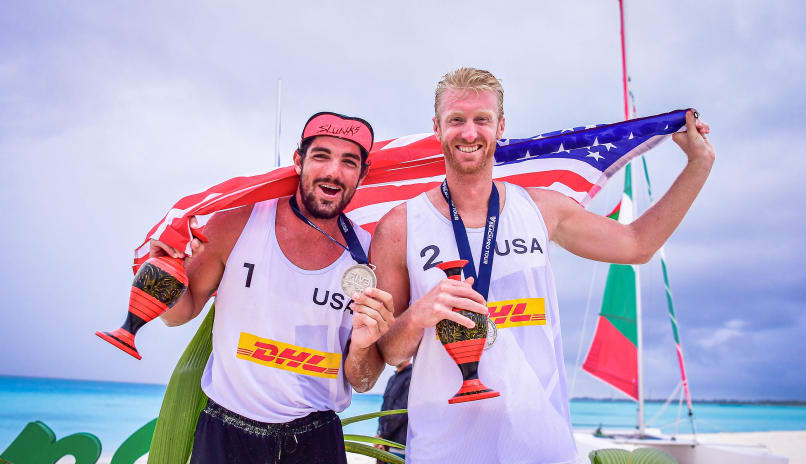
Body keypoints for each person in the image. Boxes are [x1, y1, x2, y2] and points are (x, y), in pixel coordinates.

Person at [372, 68, 714, 463]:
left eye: (482, 119)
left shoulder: (540, 209)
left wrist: (699, 164)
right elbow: (390, 353)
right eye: (456, 120)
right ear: (437, 127)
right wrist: (418, 315)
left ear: (501, 126)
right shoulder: (401, 227)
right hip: (443, 450)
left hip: (540, 447)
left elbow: (638, 245)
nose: (469, 132)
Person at [152, 111, 395, 464]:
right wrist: (161, 272)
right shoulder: (239, 222)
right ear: (298, 160)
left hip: (316, 439)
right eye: (321, 156)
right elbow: (177, 315)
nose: (334, 171)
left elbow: (363, 381)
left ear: (363, 174)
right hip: (227, 433)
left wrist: (362, 345)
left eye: (349, 162)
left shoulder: (367, 255)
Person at [375, 359, 412, 463]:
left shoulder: (412, 377)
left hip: (399, 444)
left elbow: (400, 412)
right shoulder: (392, 378)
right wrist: (378, 434)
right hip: (384, 442)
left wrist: (383, 437)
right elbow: (384, 411)